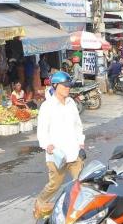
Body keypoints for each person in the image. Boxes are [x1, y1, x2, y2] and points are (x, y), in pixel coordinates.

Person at [34, 71, 85, 216]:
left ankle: (77, 211)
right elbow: (42, 131)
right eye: (64, 86)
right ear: (55, 86)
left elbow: (78, 125)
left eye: (69, 86)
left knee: (80, 183)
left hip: (74, 151)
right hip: (56, 154)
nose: (68, 88)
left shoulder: (71, 104)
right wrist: (47, 145)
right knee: (54, 185)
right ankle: (40, 202)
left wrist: (81, 143)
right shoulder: (47, 106)